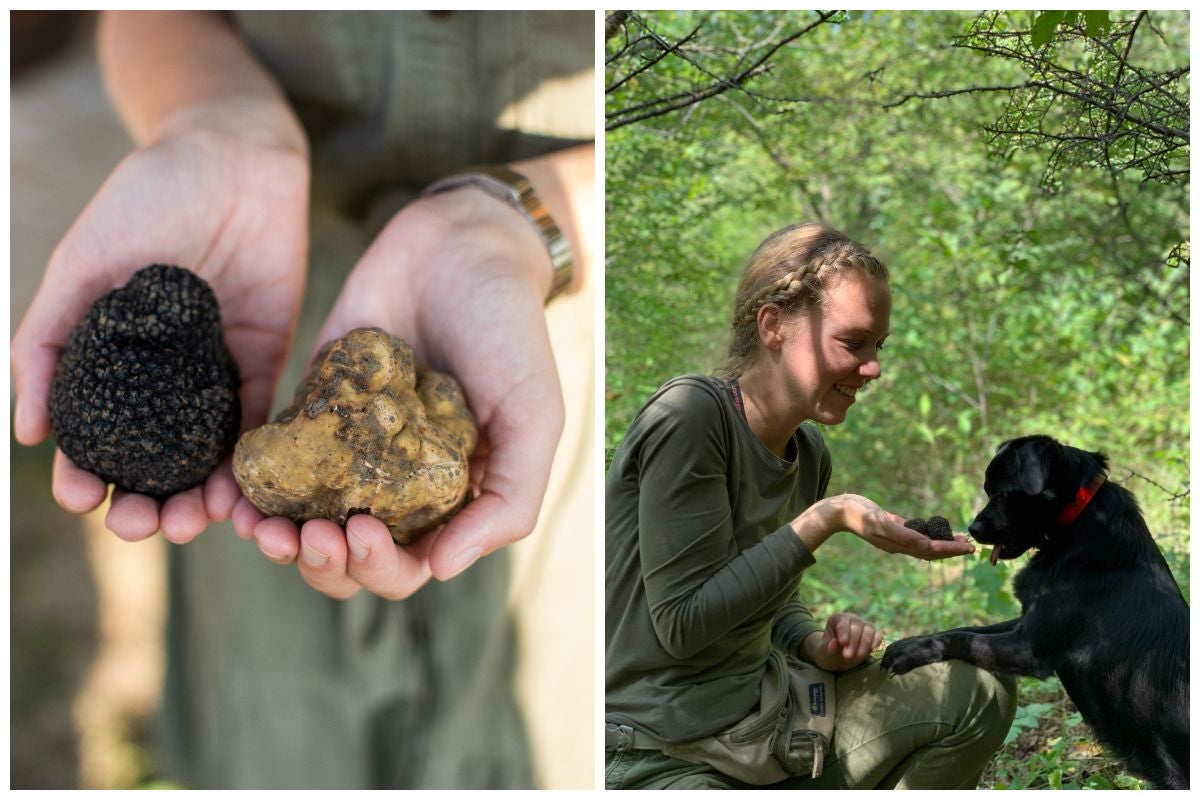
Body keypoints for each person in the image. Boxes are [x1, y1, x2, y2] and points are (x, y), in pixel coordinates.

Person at [11, 10, 594, 789]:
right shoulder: (267, 419)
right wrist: (214, 117)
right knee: (277, 736)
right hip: (263, 284)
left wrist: (523, 223)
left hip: (532, 325)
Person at [604, 223, 1016, 790]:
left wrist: (812, 643)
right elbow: (684, 624)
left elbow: (766, 603)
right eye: (853, 343)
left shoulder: (808, 451)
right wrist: (828, 517)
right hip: (653, 752)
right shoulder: (690, 417)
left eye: (878, 347)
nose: (873, 368)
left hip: (769, 723)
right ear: (773, 325)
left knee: (975, 689)